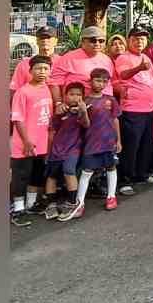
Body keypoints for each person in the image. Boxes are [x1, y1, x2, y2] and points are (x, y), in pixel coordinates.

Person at [57, 68, 122, 222]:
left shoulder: (111, 100)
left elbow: (115, 119)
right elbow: (76, 120)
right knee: (87, 171)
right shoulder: (83, 101)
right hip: (91, 143)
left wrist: (118, 140)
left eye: (105, 81)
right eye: (98, 80)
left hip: (109, 142)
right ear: (90, 81)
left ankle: (111, 196)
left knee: (111, 167)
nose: (101, 84)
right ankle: (79, 203)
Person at [9, 55, 54, 226]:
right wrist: (27, 140)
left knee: (36, 174)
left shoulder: (47, 89)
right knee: (21, 175)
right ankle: (18, 209)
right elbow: (17, 119)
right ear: (30, 71)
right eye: (38, 68)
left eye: (45, 69)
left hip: (42, 143)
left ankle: (31, 204)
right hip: (24, 144)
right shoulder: (23, 92)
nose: (42, 72)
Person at [116, 27, 153, 194]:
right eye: (136, 38)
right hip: (133, 110)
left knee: (146, 144)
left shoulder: (146, 57)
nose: (139, 41)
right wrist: (139, 68)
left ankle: (141, 174)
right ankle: (125, 180)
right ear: (129, 40)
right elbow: (123, 75)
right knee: (130, 146)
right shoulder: (123, 57)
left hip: (150, 109)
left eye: (142, 38)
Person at [40, 81, 88, 220]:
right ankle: (51, 204)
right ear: (65, 95)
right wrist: (48, 151)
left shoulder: (84, 110)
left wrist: (83, 111)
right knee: (52, 176)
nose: (75, 97)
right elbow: (52, 130)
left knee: (69, 171)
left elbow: (86, 124)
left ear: (82, 97)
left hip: (73, 149)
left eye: (78, 95)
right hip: (56, 149)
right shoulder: (60, 110)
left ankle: (72, 203)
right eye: (71, 94)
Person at [49, 25, 115, 109]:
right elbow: (54, 82)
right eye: (93, 40)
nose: (97, 44)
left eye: (101, 41)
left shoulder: (107, 60)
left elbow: (109, 83)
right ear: (83, 42)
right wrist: (58, 103)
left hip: (103, 107)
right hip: (75, 107)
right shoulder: (69, 58)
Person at [9, 26, 61, 97]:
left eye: (48, 38)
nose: (44, 40)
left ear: (55, 41)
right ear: (37, 41)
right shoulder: (24, 64)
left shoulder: (64, 62)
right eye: (42, 38)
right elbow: (14, 90)